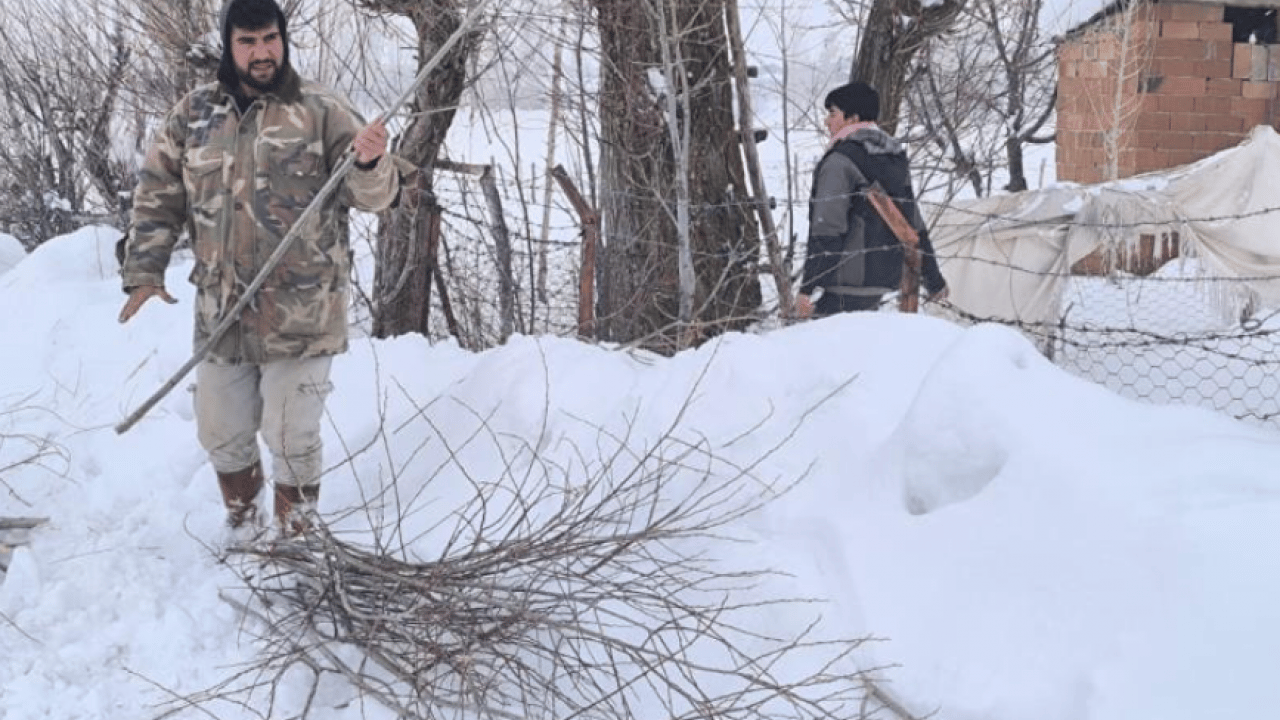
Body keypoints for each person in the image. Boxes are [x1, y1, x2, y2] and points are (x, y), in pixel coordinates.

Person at [117, 0, 402, 535]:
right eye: (247, 42)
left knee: (292, 434)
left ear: (282, 38)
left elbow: (375, 196)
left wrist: (369, 162)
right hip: (222, 308)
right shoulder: (193, 114)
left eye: (269, 39)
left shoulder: (323, 110)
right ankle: (244, 526)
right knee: (221, 431)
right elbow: (158, 195)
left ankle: (295, 540)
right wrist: (145, 271)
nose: (262, 52)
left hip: (303, 313)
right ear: (228, 45)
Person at [795, 81, 947, 319]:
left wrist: (807, 289)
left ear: (852, 118)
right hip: (885, 281)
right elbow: (912, 221)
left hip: (845, 282)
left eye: (832, 113)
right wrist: (934, 280)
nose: (827, 121)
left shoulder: (839, 161)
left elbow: (828, 228)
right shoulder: (894, 157)